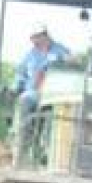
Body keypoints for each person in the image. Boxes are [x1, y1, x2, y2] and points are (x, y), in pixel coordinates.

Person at [13, 24, 72, 160]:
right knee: (25, 100)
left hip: (55, 93)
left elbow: (73, 62)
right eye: (32, 38)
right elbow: (20, 74)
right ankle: (21, 147)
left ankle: (49, 150)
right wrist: (16, 87)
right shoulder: (30, 55)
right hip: (34, 92)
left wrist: (68, 61)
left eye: (36, 38)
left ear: (44, 36)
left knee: (59, 111)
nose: (33, 41)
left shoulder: (60, 50)